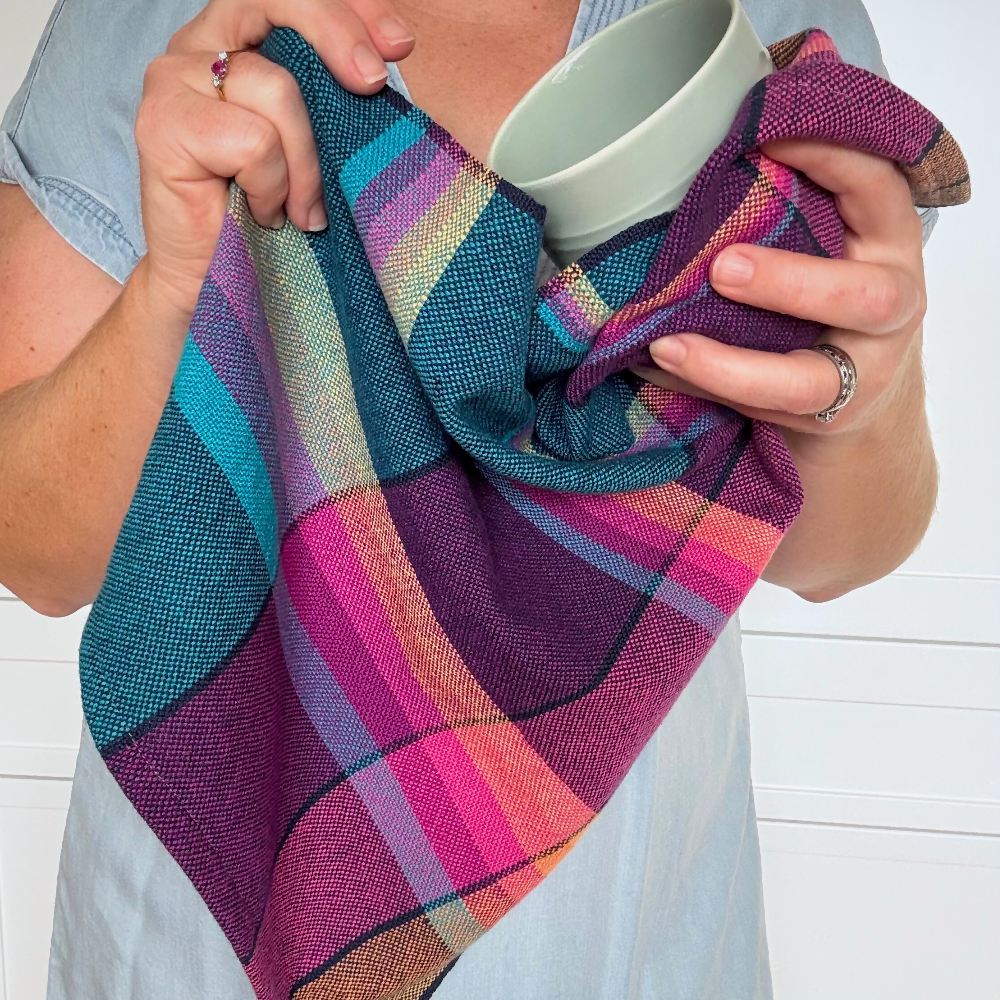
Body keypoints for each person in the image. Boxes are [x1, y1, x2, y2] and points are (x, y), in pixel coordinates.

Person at [0, 0, 938, 996]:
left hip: (624, 922)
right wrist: (179, 280)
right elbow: (35, 555)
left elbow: (837, 556)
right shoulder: (153, 18)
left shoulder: (780, 22)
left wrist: (860, 403)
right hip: (202, 920)